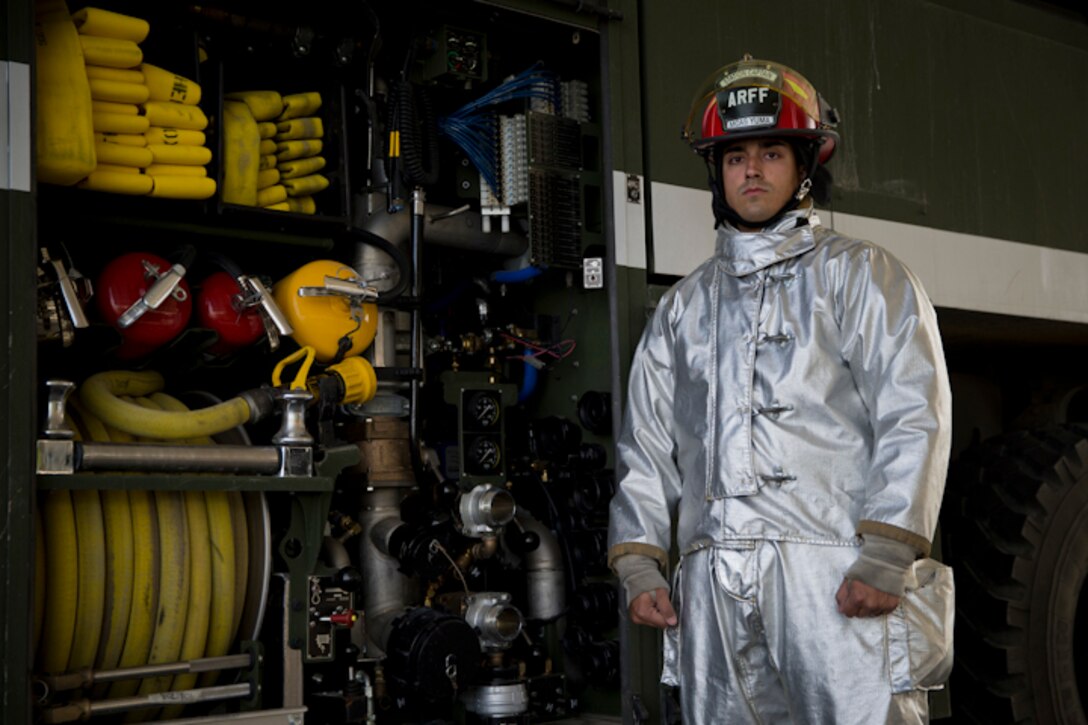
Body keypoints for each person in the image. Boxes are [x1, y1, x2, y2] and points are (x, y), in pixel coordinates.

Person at [607, 56, 955, 724]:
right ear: (718, 173)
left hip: (835, 576)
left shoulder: (864, 276)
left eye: (771, 152)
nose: (753, 170)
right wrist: (641, 562)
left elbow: (915, 411)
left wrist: (887, 553)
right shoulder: (682, 310)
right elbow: (646, 442)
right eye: (735, 156)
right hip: (711, 589)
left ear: (804, 166)